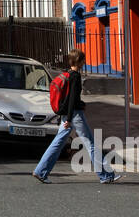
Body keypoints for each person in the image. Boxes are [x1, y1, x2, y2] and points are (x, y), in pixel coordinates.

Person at [32, 48, 119, 183]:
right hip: (74, 115)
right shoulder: (75, 76)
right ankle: (106, 175)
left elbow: (70, 98)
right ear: (80, 61)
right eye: (84, 59)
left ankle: (40, 171)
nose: (85, 61)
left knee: (57, 143)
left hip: (68, 114)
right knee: (90, 143)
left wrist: (71, 113)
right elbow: (72, 98)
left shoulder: (67, 74)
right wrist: (70, 117)